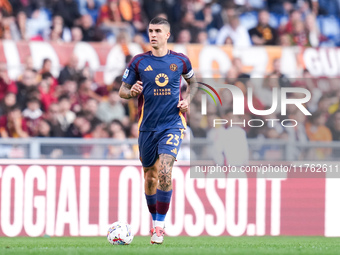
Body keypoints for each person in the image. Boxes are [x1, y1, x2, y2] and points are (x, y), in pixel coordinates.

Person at [119, 17, 197, 244]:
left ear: (167, 35)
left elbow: (194, 83)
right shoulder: (138, 62)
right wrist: (131, 91)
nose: (153, 34)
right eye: (150, 30)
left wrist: (188, 100)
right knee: (150, 177)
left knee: (165, 168)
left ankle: (160, 227)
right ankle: (155, 223)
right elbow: (122, 91)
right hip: (147, 127)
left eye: (157, 31)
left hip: (173, 124)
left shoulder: (180, 61)